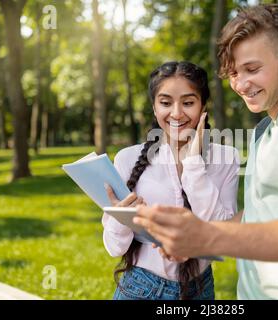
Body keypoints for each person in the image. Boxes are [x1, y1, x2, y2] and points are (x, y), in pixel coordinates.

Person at [133, 4, 278, 300]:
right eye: (233, 73)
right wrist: (197, 242)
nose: (241, 84)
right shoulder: (266, 130)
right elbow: (260, 213)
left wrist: (207, 236)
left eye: (252, 69)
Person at [102, 61, 240, 300]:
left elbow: (223, 237)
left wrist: (194, 165)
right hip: (140, 288)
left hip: (200, 290)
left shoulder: (226, 158)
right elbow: (115, 248)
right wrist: (119, 218)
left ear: (202, 106)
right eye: (165, 103)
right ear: (155, 108)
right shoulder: (127, 159)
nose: (176, 113)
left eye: (188, 102)